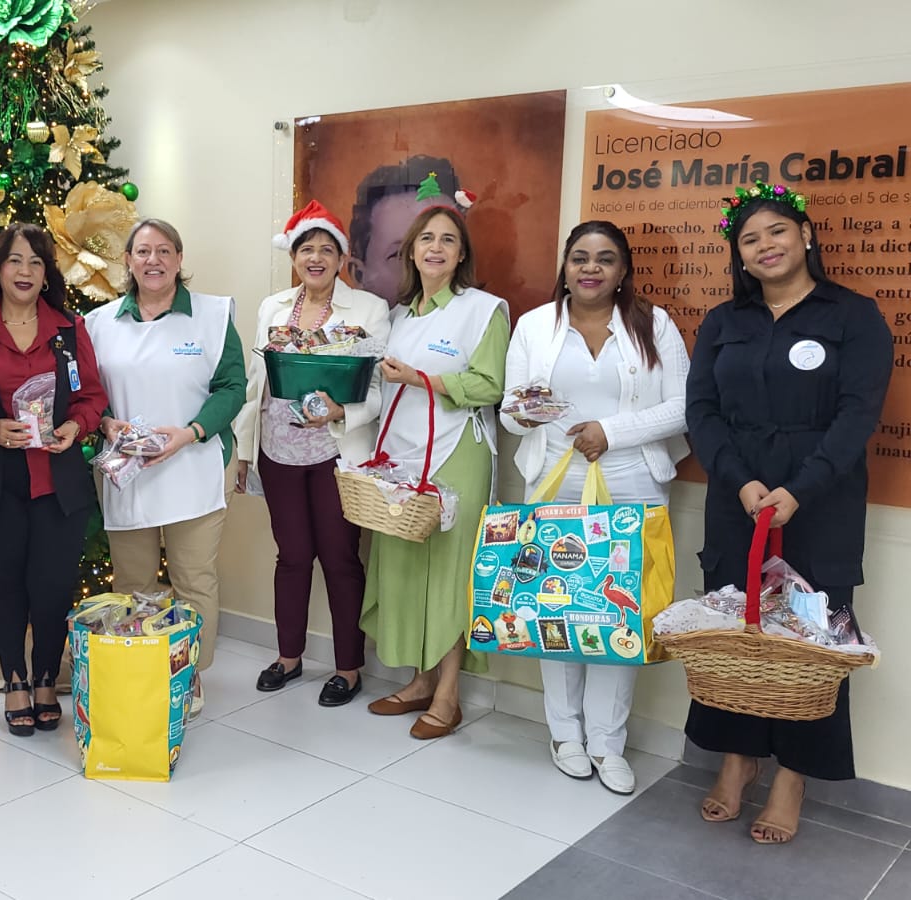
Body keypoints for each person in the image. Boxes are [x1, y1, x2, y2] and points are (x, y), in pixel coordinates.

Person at [685, 182, 891, 844]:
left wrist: (800, 489)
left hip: (822, 501)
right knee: (737, 632)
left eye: (777, 231)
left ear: (805, 235)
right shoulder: (724, 322)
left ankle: (793, 776)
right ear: (739, 256)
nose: (765, 246)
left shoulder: (853, 315)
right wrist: (740, 481)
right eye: (749, 239)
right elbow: (701, 411)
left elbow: (858, 414)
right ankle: (738, 760)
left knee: (813, 639)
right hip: (737, 499)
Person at [501, 221, 689, 793]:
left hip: (633, 482)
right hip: (554, 481)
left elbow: (684, 406)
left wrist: (610, 431)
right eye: (580, 257)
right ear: (565, 266)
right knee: (554, 606)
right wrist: (528, 412)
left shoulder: (655, 324)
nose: (591, 268)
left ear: (623, 270)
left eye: (605, 259)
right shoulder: (535, 325)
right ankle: (565, 734)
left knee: (616, 612)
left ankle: (608, 743)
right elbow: (511, 413)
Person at [0, 223, 107, 735]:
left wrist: (76, 426)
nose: (25, 271)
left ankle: (44, 677)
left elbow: (92, 396)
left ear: (46, 274)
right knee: (6, 582)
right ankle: (14, 679)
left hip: (57, 480)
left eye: (36, 262)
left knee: (53, 584)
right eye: (15, 261)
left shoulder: (69, 329)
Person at [84, 218, 247, 712]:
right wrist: (106, 423)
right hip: (126, 473)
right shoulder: (98, 323)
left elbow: (232, 388)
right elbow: (87, 392)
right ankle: (141, 671)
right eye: (142, 251)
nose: (152, 260)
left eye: (163, 251)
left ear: (179, 259)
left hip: (195, 465)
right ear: (128, 261)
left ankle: (189, 675)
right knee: (133, 582)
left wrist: (190, 433)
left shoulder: (212, 316)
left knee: (193, 580)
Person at [233, 201, 390, 705]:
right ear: (293, 257)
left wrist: (342, 412)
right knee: (292, 556)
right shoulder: (272, 307)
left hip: (335, 452)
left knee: (340, 558)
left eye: (326, 249)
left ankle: (348, 667)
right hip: (278, 450)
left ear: (341, 258)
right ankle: (288, 657)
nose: (316, 258)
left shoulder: (368, 309)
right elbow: (256, 383)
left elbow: (379, 389)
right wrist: (244, 449)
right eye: (306, 249)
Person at [361, 204, 508, 739]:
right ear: (411, 250)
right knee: (405, 568)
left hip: (458, 452)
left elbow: (491, 386)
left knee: (449, 575)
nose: (436, 248)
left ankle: (449, 695)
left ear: (462, 253)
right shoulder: (399, 316)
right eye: (427, 238)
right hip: (402, 456)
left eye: (448, 239)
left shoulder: (484, 311)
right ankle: (420, 681)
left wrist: (423, 379)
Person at [348, 155, 462, 305]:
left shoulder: (482, 314)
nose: (426, 265)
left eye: (447, 240)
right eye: (401, 254)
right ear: (359, 275)